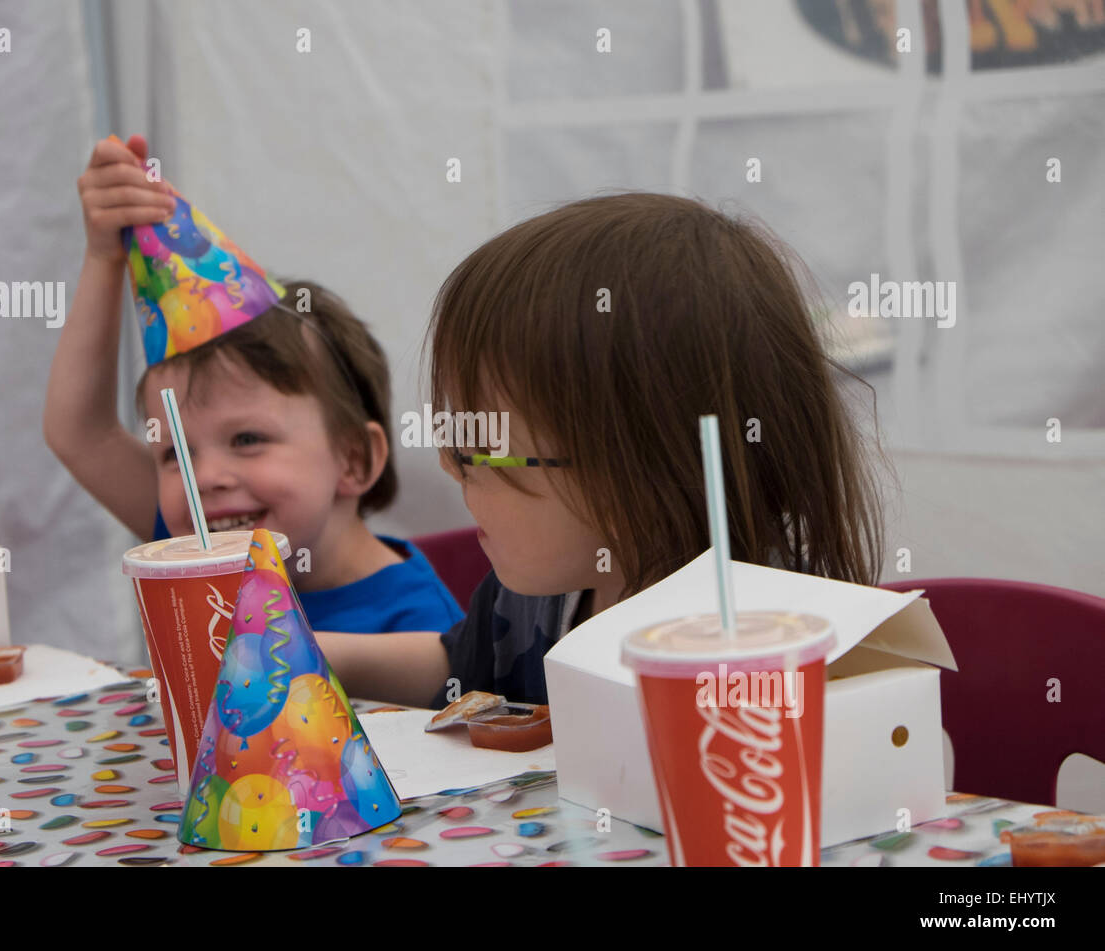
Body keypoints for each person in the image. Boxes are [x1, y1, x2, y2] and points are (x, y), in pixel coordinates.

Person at [318, 192, 886, 706]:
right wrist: (319, 655)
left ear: (631, 474)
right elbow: (458, 669)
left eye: (478, 447)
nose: (448, 463)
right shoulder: (542, 589)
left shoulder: (776, 635)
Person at [43, 134, 463, 634]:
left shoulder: (422, 625)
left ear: (353, 458)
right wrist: (103, 258)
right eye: (176, 453)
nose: (205, 479)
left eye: (247, 439)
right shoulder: (201, 537)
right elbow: (79, 432)